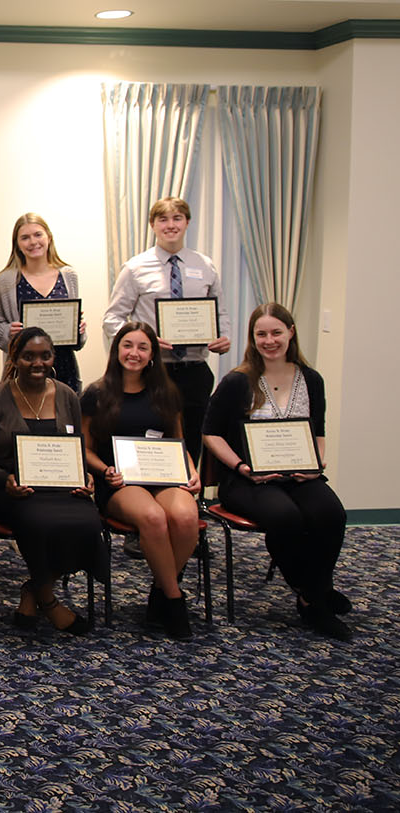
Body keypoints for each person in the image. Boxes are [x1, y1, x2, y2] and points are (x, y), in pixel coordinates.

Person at [202, 303, 350, 641]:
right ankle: (314, 597)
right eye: (261, 334)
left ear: (291, 333)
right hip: (246, 479)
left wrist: (317, 464)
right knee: (286, 518)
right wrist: (242, 467)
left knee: (331, 514)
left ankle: (315, 589)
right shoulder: (238, 381)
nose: (269, 340)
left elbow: (319, 430)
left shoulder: (311, 379)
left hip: (299, 475)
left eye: (276, 332)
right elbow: (210, 433)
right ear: (253, 339)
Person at [0, 327, 102, 636]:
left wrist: (85, 477)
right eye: (28, 356)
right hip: (8, 491)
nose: (37, 363)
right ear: (14, 359)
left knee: (88, 520)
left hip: (59, 488)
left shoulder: (67, 395)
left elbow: (76, 448)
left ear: (54, 358)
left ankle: (32, 589)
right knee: (38, 520)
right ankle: (49, 599)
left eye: (45, 356)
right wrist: (5, 480)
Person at [82, 322, 200, 640]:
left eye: (142, 347)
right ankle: (174, 601)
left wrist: (191, 471)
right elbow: (85, 449)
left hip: (164, 476)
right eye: (127, 345)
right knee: (153, 518)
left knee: (187, 516)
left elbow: (179, 441)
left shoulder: (166, 392)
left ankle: (161, 590)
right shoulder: (97, 393)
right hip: (120, 482)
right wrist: (104, 469)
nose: (134, 353)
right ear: (116, 350)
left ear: (152, 354)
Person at [104, 197, 231, 462]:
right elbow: (112, 319)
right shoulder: (135, 268)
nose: (170, 225)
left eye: (177, 218)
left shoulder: (205, 266)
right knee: (154, 437)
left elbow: (220, 313)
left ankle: (189, 493)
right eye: (163, 219)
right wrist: (143, 343)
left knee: (193, 437)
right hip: (152, 372)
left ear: (187, 223)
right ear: (152, 225)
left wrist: (224, 337)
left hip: (195, 369)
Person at [0, 213, 87, 394]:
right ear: (17, 244)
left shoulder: (68, 275)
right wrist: (9, 332)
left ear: (48, 237)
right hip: (23, 372)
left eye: (38, 235)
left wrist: (79, 331)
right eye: (25, 238)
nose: (33, 242)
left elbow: (77, 337)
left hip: (65, 370)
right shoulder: (6, 280)